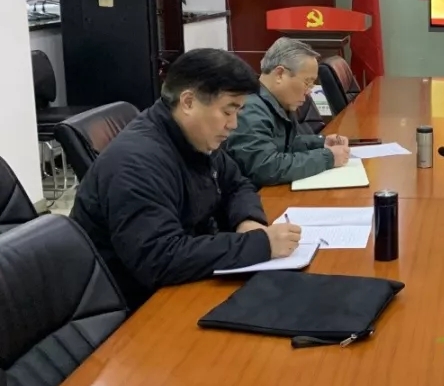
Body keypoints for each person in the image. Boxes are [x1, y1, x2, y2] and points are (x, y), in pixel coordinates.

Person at [69, 49, 302, 309]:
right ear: (188, 102)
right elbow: (160, 258)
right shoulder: (135, 164)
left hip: (187, 279)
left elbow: (237, 184)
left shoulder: (194, 136)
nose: (234, 124)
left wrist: (247, 222)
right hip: (137, 306)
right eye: (228, 111)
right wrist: (259, 244)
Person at [226, 38, 351, 188]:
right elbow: (266, 168)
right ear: (280, 74)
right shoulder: (250, 110)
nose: (309, 91)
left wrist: (321, 143)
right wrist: (328, 157)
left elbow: (284, 145)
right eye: (307, 82)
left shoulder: (274, 102)